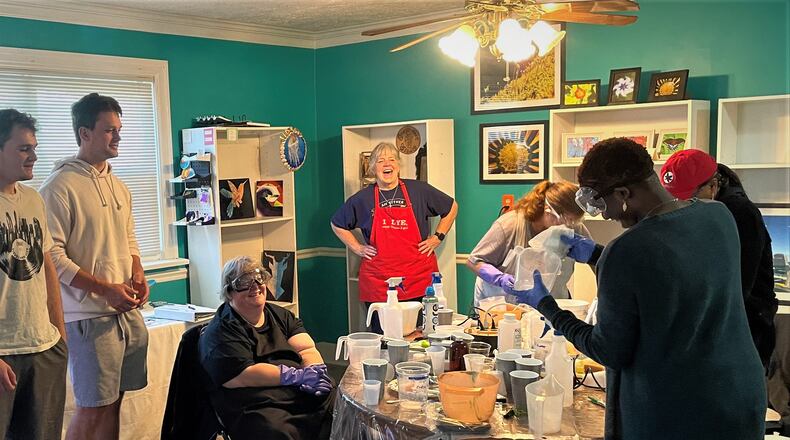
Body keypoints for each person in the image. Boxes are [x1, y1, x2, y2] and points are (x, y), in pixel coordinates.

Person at [514, 138, 766, 439]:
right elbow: (672, 275)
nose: (605, 215)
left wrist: (547, 306)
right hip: (739, 394)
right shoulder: (718, 215)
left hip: (679, 412)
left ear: (623, 193)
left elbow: (607, 349)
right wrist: (597, 254)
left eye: (601, 204)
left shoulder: (626, 250)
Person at [39, 93, 149, 440]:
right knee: (92, 407)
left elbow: (129, 240)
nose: (117, 137)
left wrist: (138, 272)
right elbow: (52, 258)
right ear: (84, 133)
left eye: (119, 129)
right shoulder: (58, 187)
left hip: (126, 312)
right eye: (108, 130)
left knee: (115, 402)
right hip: (87, 317)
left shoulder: (120, 186)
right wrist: (105, 289)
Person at [660, 149, 777, 369]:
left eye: (688, 198)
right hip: (707, 324)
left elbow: (738, 286)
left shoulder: (740, 214)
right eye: (674, 198)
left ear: (712, 186)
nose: (680, 206)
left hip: (745, 326)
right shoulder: (697, 212)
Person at [199, 256, 334, 440]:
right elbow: (244, 376)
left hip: (292, 390)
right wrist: (294, 376)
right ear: (229, 292)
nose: (255, 286)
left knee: (336, 402)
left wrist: (314, 370)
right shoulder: (220, 332)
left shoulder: (280, 315)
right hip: (254, 402)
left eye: (259, 278)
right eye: (244, 282)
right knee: (276, 430)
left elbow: (306, 349)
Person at [331, 142, 458, 332]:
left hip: (418, 279)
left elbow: (451, 207)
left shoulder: (419, 190)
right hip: (379, 283)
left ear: (398, 165)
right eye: (380, 161)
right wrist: (358, 248)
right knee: (383, 337)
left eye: (391, 159)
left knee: (421, 336)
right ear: (373, 168)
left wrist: (437, 237)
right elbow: (337, 223)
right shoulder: (362, 199)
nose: (386, 164)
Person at [0, 109, 68, 439]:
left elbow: (47, 266)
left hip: (44, 346)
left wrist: (60, 333)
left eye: (34, 147)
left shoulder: (33, 199)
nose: (34, 156)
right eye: (24, 148)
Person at [467, 180, 595, 306]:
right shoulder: (510, 225)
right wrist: (500, 279)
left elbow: (596, 260)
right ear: (547, 210)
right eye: (566, 220)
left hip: (552, 302)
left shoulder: (574, 227)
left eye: (573, 221)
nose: (569, 226)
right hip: (503, 305)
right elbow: (474, 261)